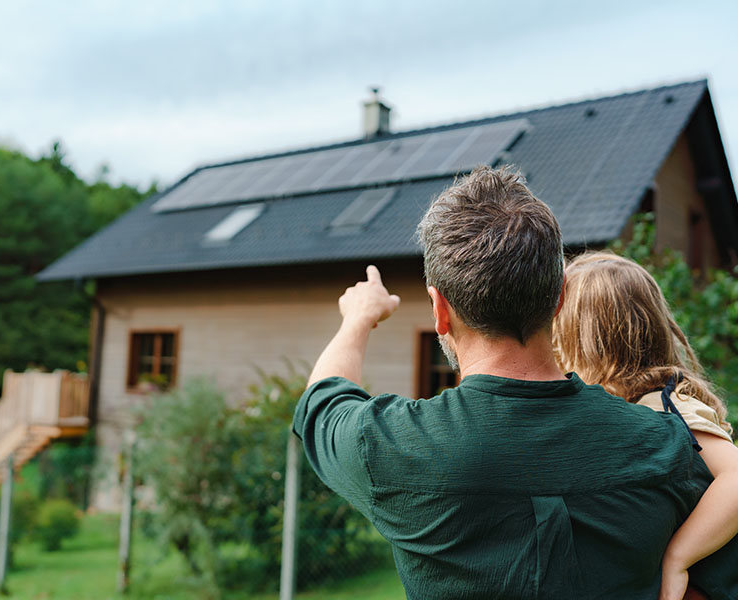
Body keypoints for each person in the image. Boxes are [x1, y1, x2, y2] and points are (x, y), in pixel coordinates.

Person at [292, 166, 730, 598]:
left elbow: (321, 400)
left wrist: (359, 319)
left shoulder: (390, 445)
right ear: (558, 296)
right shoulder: (665, 443)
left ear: (440, 310)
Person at [553, 251, 738, 600]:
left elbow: (736, 478)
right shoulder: (630, 408)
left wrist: (678, 558)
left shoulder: (667, 406)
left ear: (584, 342)